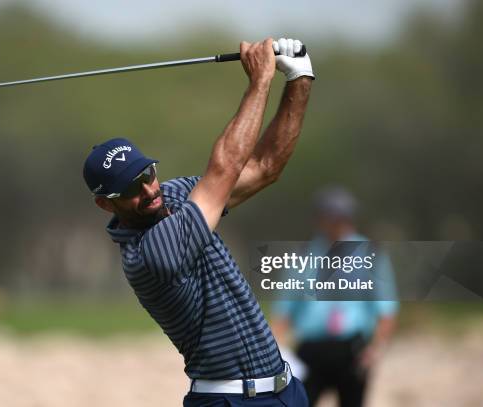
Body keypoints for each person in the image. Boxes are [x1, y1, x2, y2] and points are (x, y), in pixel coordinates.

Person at [82, 38, 313, 406]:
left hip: (287, 391)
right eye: (130, 189)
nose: (148, 190)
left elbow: (264, 168)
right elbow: (224, 167)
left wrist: (299, 78)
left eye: (148, 174)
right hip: (229, 401)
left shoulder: (173, 196)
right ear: (105, 205)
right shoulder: (150, 255)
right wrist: (259, 82)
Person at [272, 187, 399, 407]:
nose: (336, 223)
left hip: (352, 350)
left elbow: (386, 309)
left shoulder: (371, 254)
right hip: (310, 351)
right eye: (330, 217)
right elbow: (284, 310)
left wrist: (376, 350)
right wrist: (275, 352)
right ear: (319, 219)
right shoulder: (303, 255)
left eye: (341, 217)